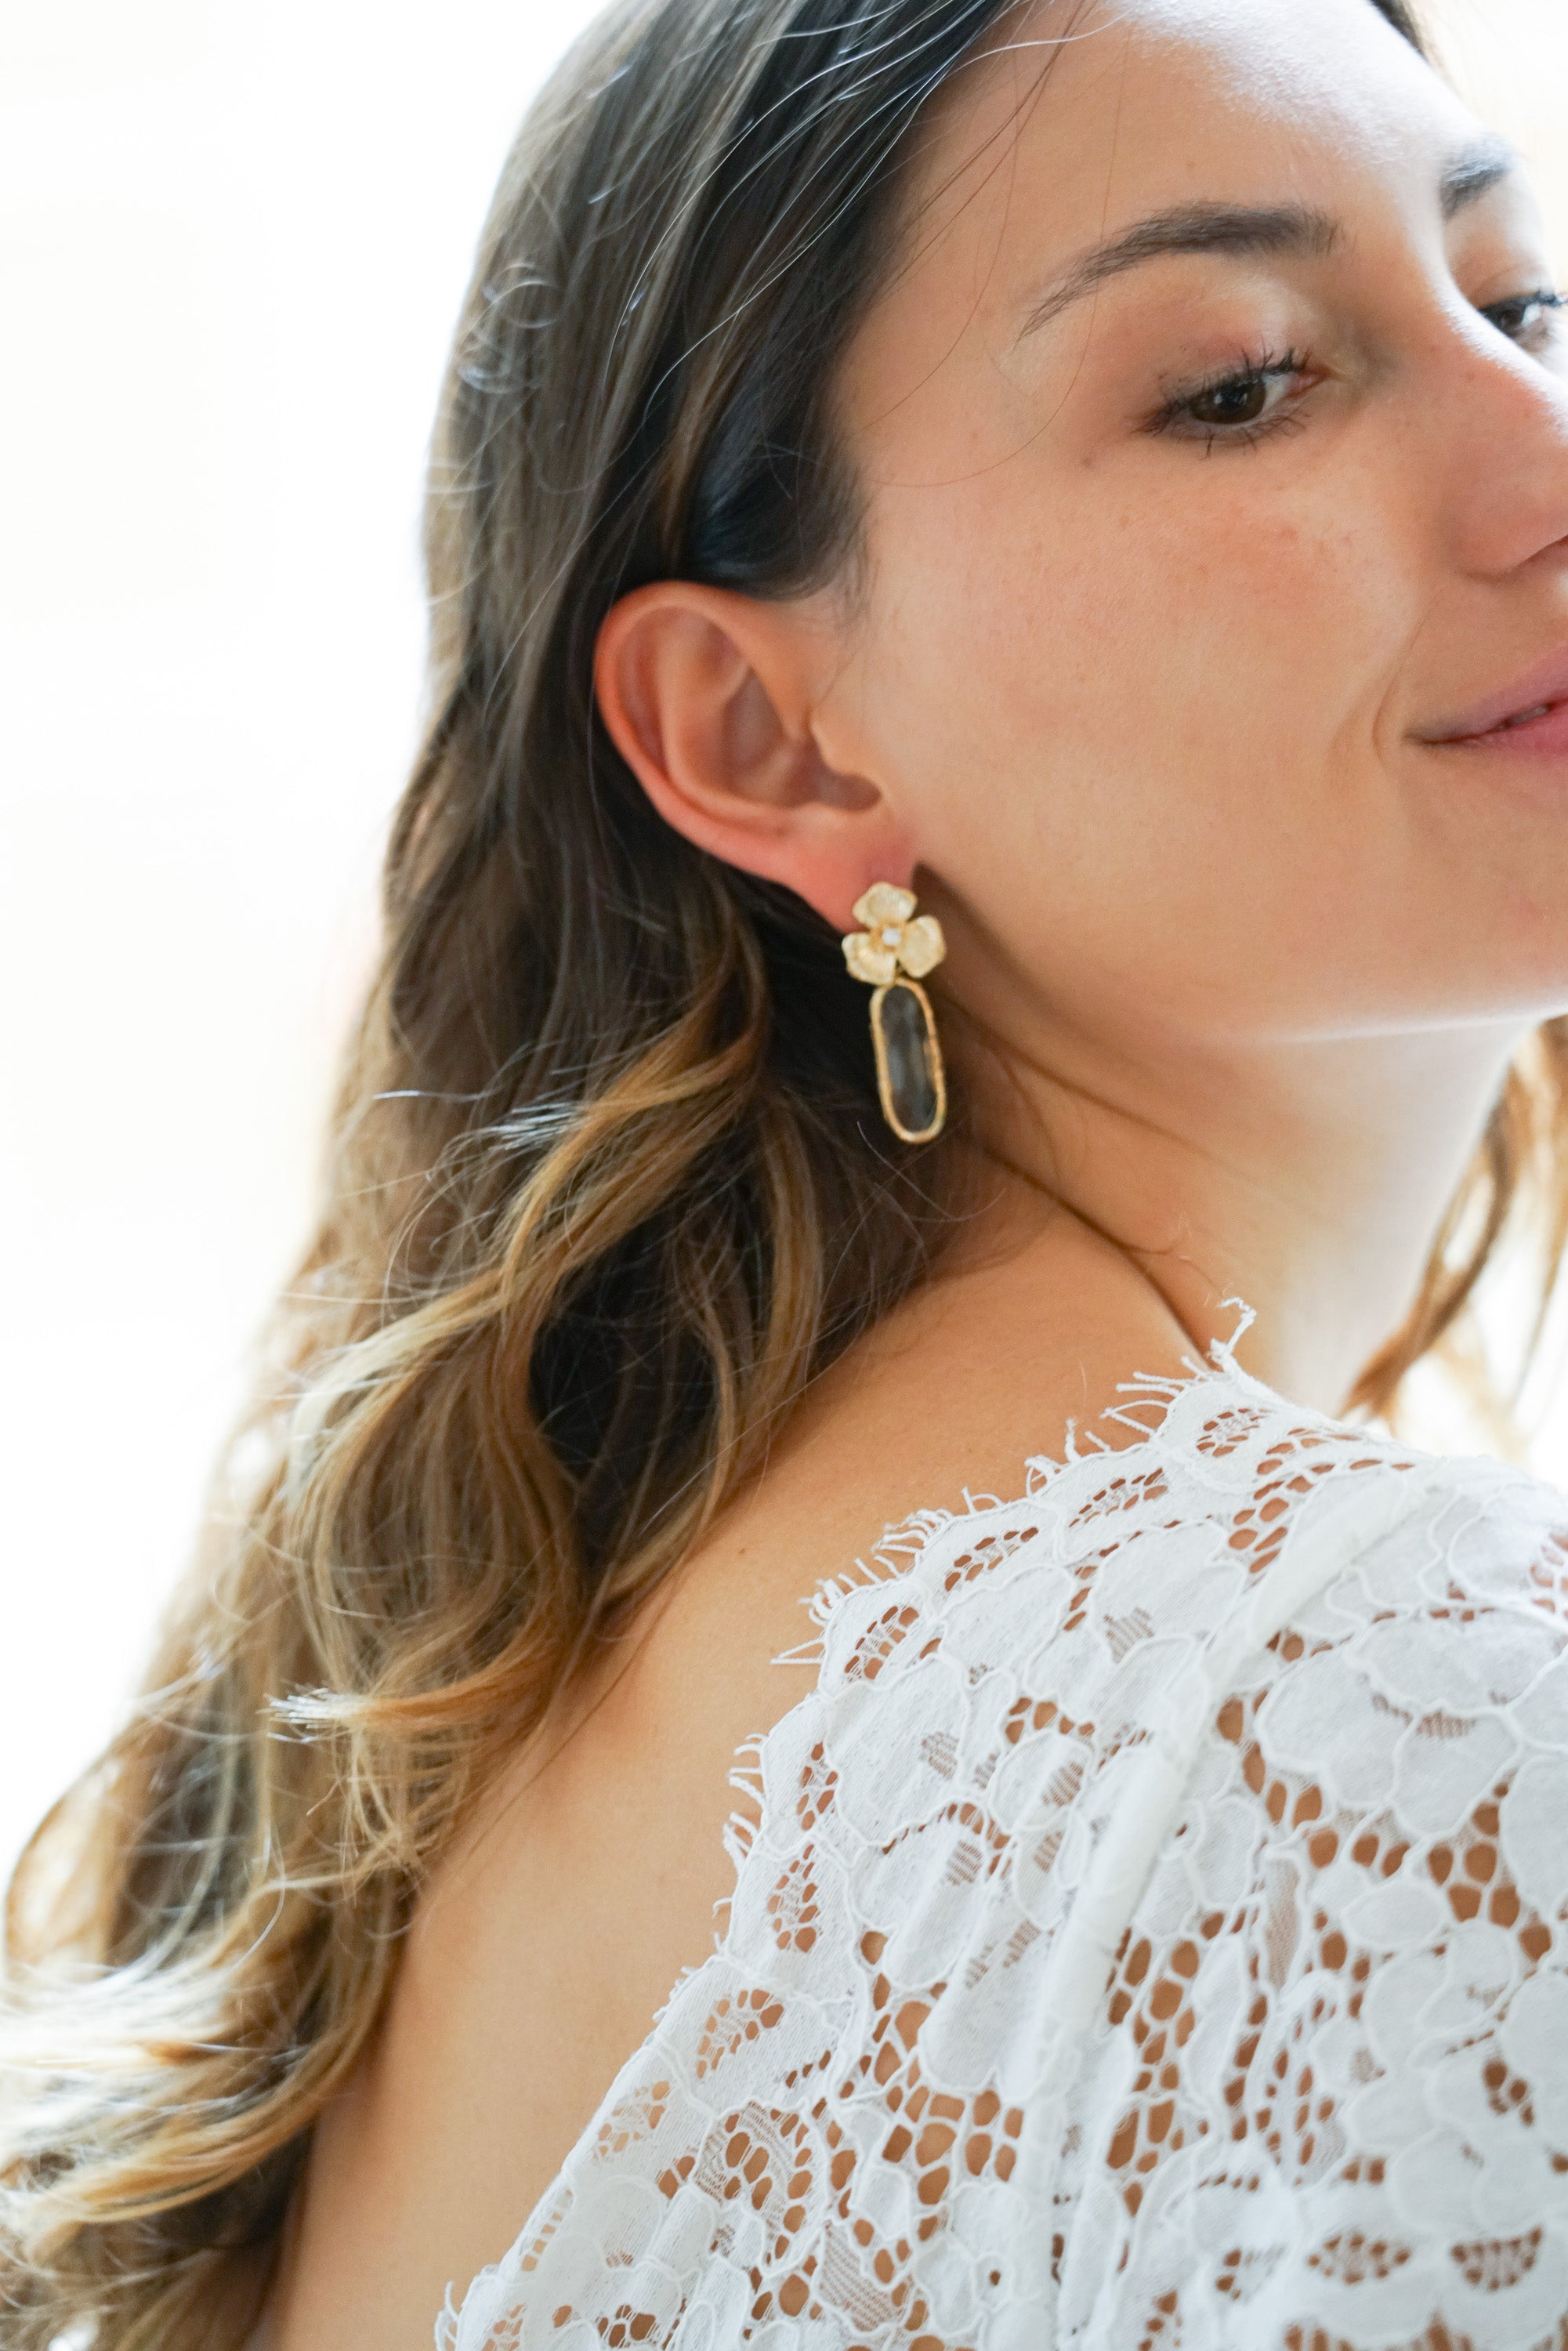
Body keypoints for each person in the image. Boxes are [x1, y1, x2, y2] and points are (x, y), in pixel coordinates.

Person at [9, 0, 1568, 2340]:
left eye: (1512, 295)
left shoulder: (522, 1697)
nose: (1538, 445)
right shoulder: (1392, 1712)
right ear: (766, 737)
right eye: (1241, 380)